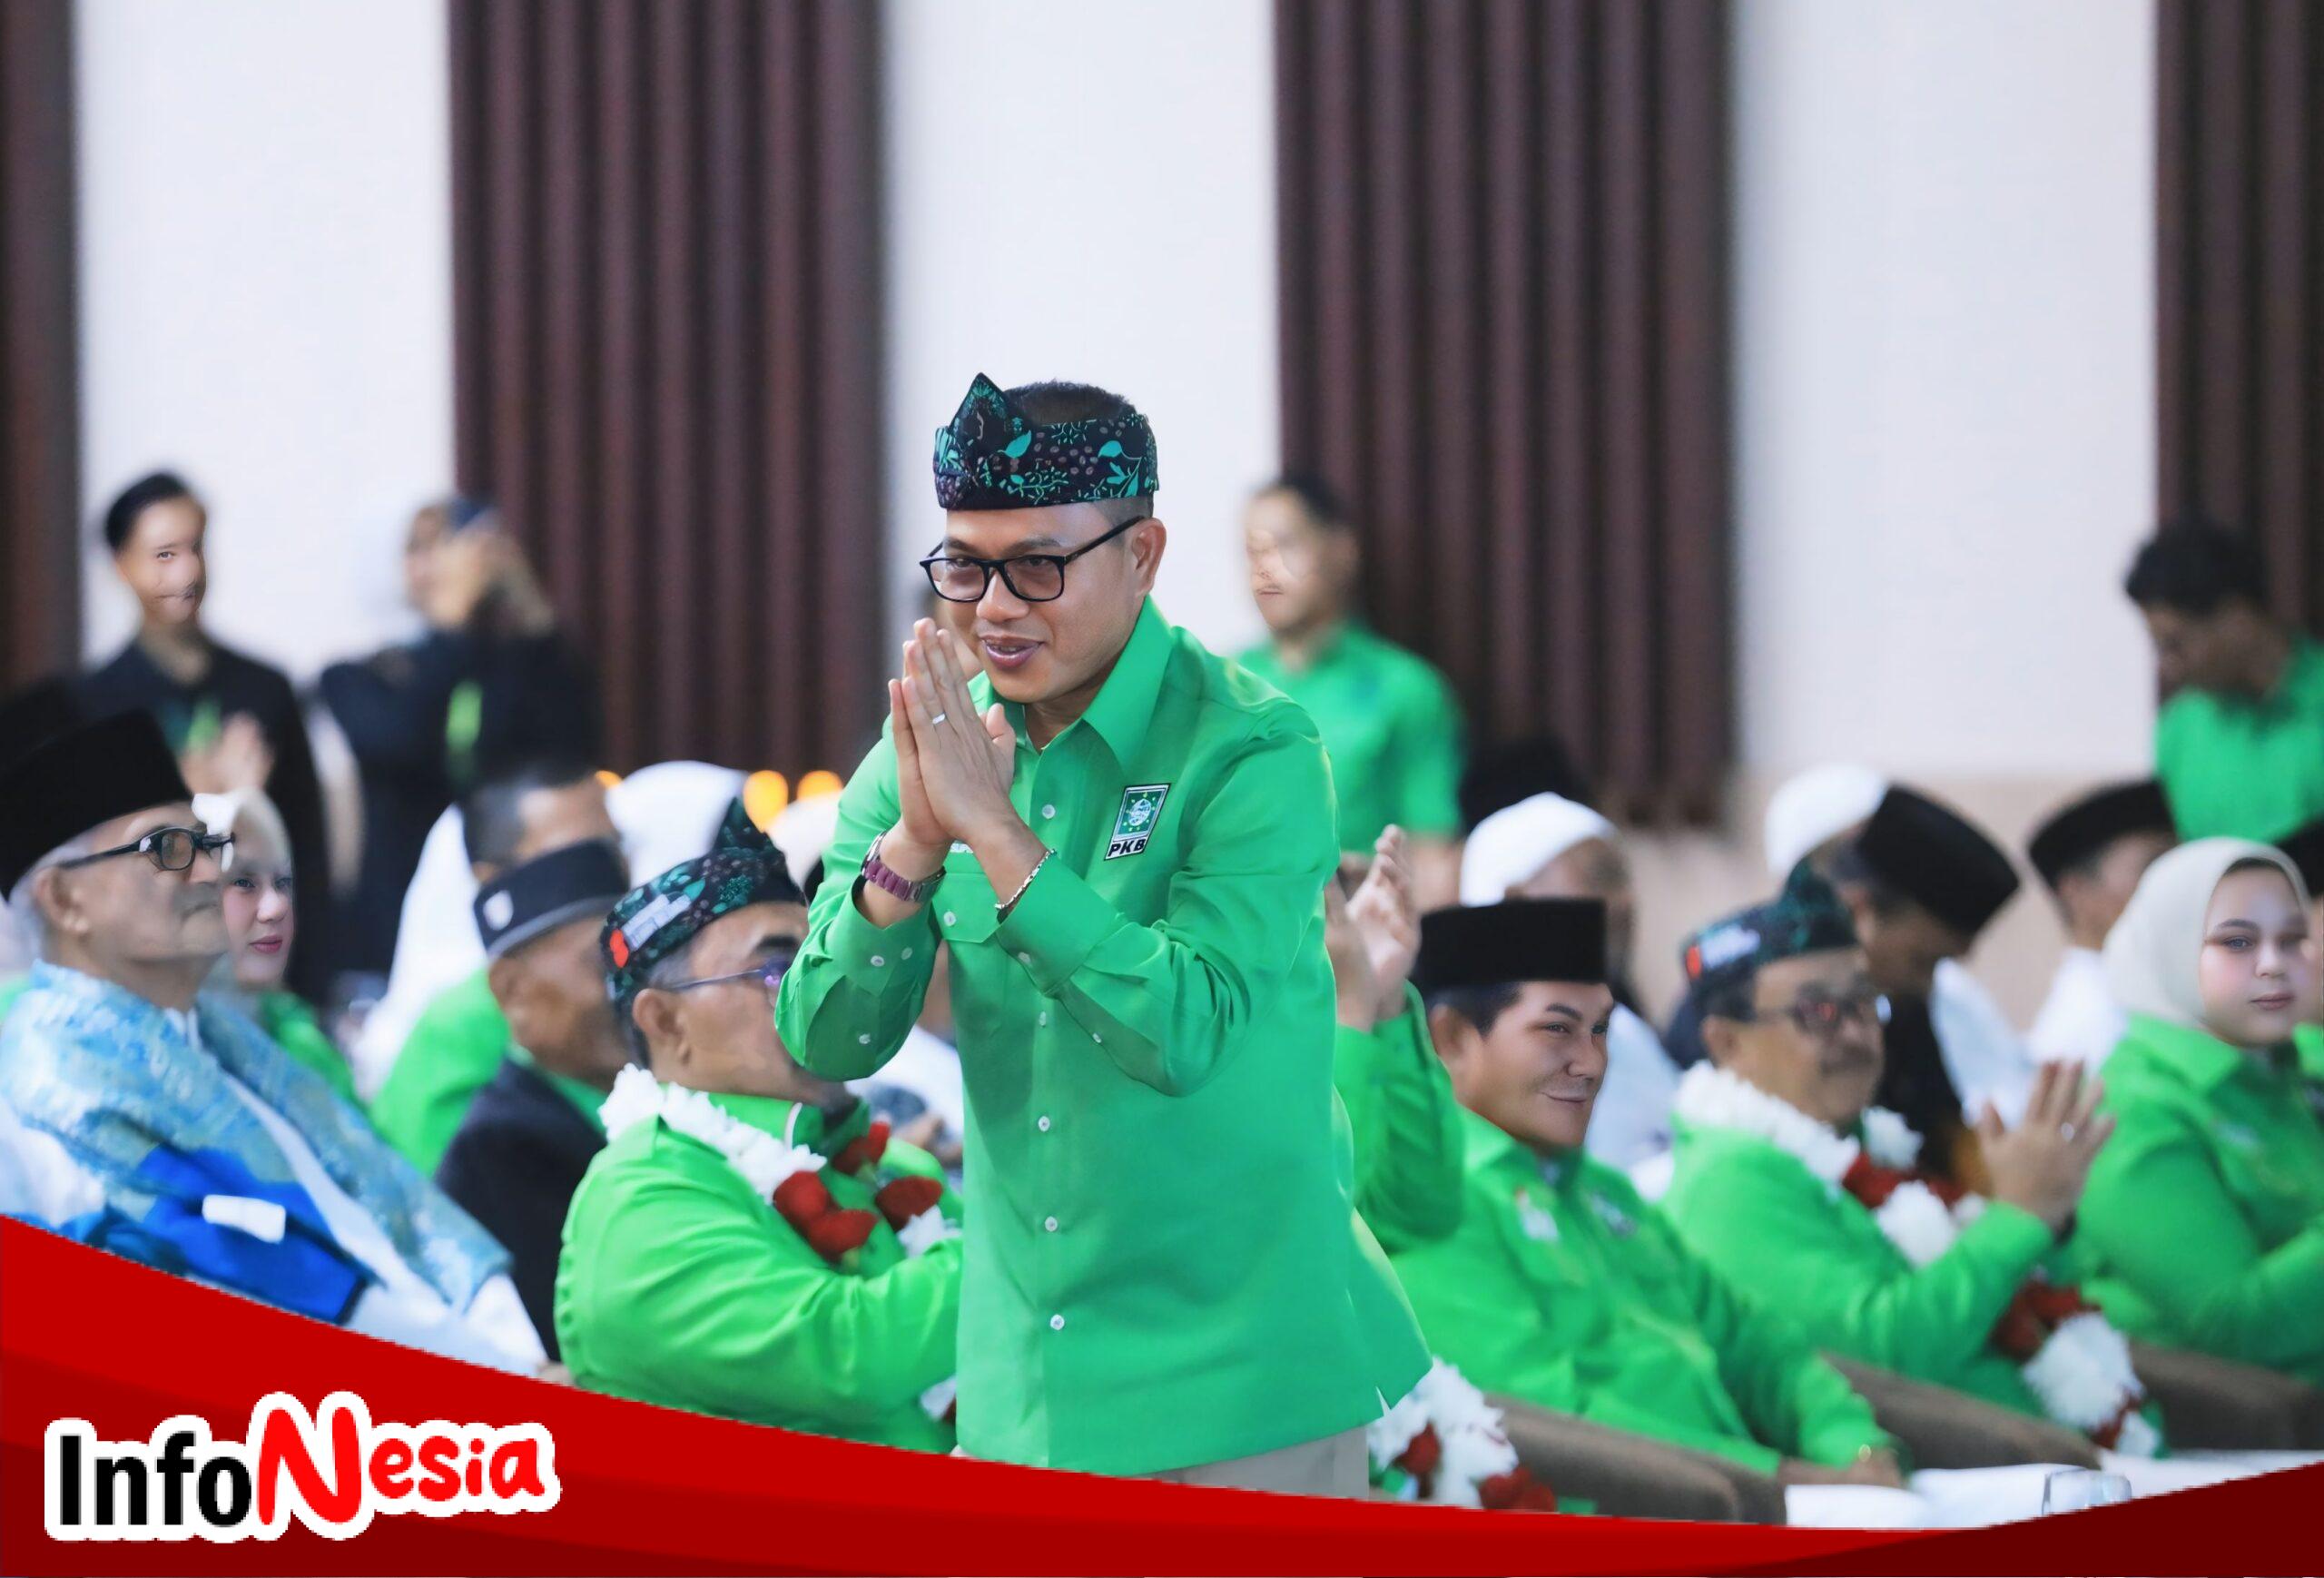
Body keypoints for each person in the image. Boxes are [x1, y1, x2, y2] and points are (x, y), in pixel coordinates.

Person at [775, 374, 1425, 1491]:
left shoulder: (1254, 750)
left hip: (1239, 1381)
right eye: (965, 567)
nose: (993, 608)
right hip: (1026, 1383)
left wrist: (998, 839)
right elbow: (824, 1041)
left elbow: (1184, 1030)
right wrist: (914, 849)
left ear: (1143, 554)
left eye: (1037, 566)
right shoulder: (929, 749)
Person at [0, 714, 539, 1369]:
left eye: (208, 844)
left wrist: (513, 1350)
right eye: (167, 848)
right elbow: (258, 1283)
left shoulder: (230, 1041)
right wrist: (505, 1371)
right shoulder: (50, 1092)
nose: (209, 873)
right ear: (64, 901)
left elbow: (394, 1205)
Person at [1388, 900, 1910, 1504]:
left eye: (1601, 1030)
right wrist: (1788, 1483)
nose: (1591, 1063)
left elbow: (1762, 1347)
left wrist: (1856, 1451)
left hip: (1768, 1499)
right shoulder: (1430, 1205)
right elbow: (1558, 1419)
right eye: (1558, 1030)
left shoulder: (1603, 1193)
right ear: (1453, 1038)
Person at [1657, 870, 2176, 1465]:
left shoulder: (1866, 1143)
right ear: (1727, 1043)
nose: (1856, 1033)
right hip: (1960, 1479)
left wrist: (2048, 1210)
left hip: (2056, 1451)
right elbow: (1884, 1358)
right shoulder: (1729, 1181)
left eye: (1863, 1002)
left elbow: (2022, 1299)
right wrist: (2019, 1217)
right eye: (1818, 1012)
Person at [556, 804, 962, 1445]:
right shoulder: (637, 1203)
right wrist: (1037, 1233)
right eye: (778, 972)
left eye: (827, 962)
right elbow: (847, 1352)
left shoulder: (893, 1166)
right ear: (665, 1021)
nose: (825, 995)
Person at [319, 497, 603, 976]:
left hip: (509, 904)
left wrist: (527, 605)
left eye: (452, 542)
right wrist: (452, 618)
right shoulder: (355, 676)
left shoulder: (511, 665)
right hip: (393, 923)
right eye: (420, 547)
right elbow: (400, 737)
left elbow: (569, 750)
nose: (448, 561)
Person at [2076, 839, 2324, 1386]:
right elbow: (2232, 1326)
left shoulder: (2292, 1063)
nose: (2274, 965)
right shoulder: (2131, 1110)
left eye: (2292, 939)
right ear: (2173, 947)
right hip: (2232, 1425)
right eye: (2237, 942)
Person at [77, 471, 331, 1001]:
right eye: (164, 554)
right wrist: (202, 796)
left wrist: (310, 988)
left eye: (196, 547)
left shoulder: (264, 689)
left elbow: (309, 852)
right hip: (145, 973)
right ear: (122, 565)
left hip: (263, 964)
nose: (188, 570)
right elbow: (95, 858)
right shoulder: (94, 705)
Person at [369, 755, 620, 1172]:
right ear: (490, 880)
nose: (608, 872)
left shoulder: (637, 977)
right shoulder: (459, 1027)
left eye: (614, 847)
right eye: (575, 858)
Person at [435, 841, 627, 1355]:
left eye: (637, 960)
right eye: (604, 962)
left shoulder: (667, 1093)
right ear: (511, 990)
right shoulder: (498, 1149)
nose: (630, 988)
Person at [1236, 475, 1465, 900]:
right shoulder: (1215, 684)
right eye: (1253, 552)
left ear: (1342, 551)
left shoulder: (1406, 689)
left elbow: (1433, 859)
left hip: (1354, 924)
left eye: (1284, 545)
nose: (1265, 569)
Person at [1458, 792, 1681, 1171]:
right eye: (1602, 877)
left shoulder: (1627, 1034)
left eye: (1625, 878)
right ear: (1514, 903)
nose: (1625, 900)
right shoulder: (1478, 1051)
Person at [1826, 787, 2037, 1170]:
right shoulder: (1763, 1010)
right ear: (1859, 911)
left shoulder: (1907, 1006)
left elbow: (1941, 1139)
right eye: (1922, 962)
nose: (1926, 986)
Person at [2127, 521, 2324, 841]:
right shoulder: (2181, 729)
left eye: (2175, 643)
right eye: (2158, 647)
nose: (2166, 667)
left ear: (2237, 618)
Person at [190, 787, 360, 1107]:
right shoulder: (164, 1055)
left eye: (282, 882)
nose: (276, 907)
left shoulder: (302, 1043)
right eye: (243, 882)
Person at [2024, 782, 2177, 1069]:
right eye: (2154, 868)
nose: (2178, 887)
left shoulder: (2151, 998)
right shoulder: (2086, 1032)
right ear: (2077, 892)